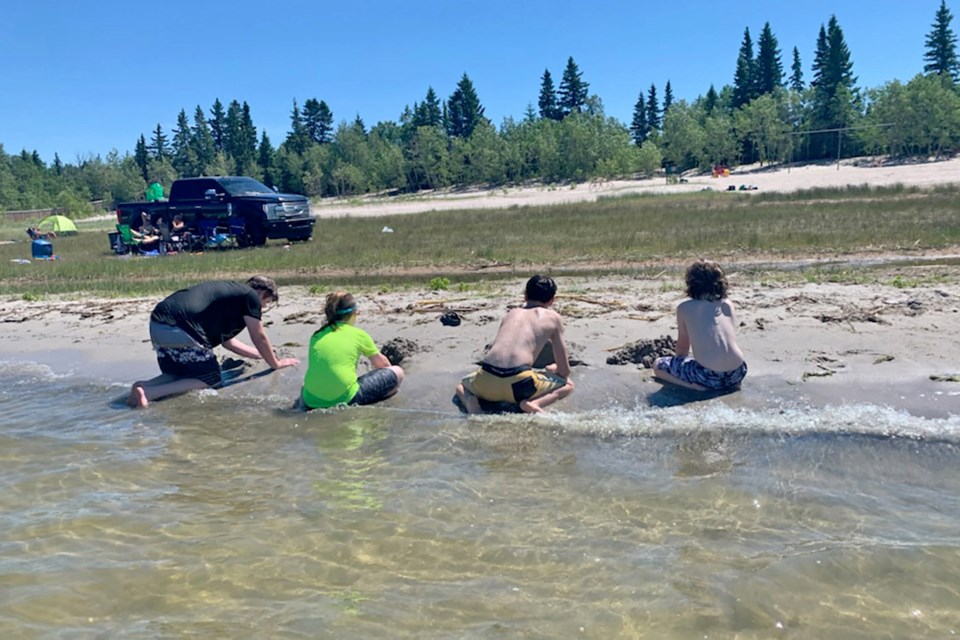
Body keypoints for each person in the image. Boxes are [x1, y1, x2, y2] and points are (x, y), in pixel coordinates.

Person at [127, 276, 299, 407]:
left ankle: (143, 386)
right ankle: (150, 393)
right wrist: (276, 363)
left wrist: (259, 355)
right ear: (261, 293)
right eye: (266, 303)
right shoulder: (250, 296)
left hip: (158, 324)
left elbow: (228, 342)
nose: (262, 308)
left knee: (179, 374)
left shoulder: (229, 298)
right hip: (182, 325)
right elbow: (259, 336)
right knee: (211, 378)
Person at [455, 275, 574, 414]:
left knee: (462, 386)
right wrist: (553, 368)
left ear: (525, 295)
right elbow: (564, 371)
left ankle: (471, 403)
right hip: (519, 386)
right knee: (568, 385)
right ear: (552, 300)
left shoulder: (511, 314)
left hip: (486, 381)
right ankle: (532, 403)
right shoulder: (553, 318)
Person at [653, 259, 747, 391]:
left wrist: (679, 363)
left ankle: (694, 387)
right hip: (738, 371)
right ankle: (731, 384)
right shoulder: (727, 304)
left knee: (658, 365)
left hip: (707, 375)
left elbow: (683, 346)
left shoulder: (685, 308)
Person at [301, 292, 404, 410]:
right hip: (344, 399)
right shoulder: (358, 335)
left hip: (311, 399)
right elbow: (382, 364)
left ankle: (300, 407)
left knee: (308, 384)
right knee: (398, 372)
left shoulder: (316, 336)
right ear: (354, 313)